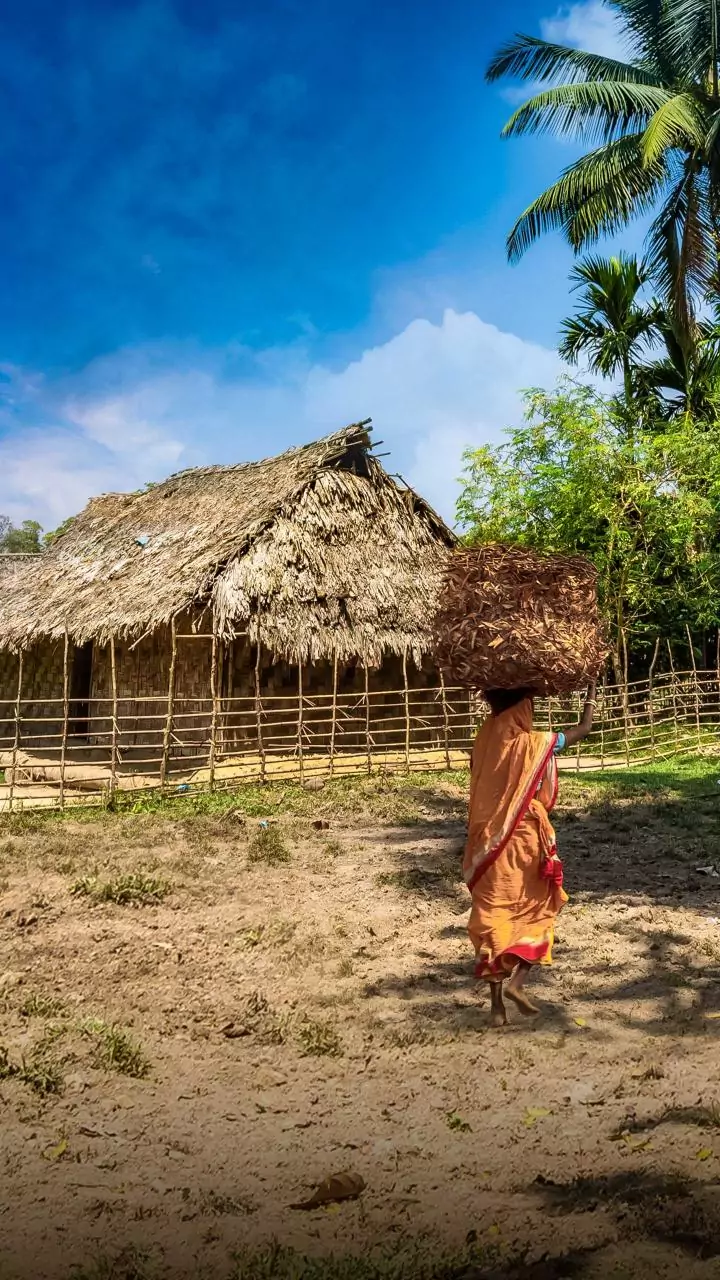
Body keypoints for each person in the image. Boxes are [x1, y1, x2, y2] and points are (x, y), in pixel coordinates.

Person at [463, 683, 596, 1026]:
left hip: (485, 843)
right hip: (523, 840)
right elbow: (584, 729)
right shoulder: (533, 743)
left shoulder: (483, 740)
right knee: (537, 907)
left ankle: (496, 1008)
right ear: (522, 706)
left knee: (492, 916)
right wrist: (592, 691)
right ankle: (518, 983)